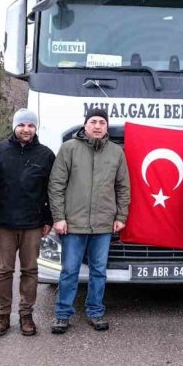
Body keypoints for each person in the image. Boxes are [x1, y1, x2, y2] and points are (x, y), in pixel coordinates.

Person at [49, 108, 130, 334]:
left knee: (99, 271)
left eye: (101, 122)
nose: (97, 126)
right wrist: (59, 217)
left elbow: (123, 187)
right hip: (73, 224)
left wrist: (121, 216)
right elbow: (56, 186)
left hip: (103, 224)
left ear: (106, 127)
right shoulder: (69, 149)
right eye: (93, 121)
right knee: (69, 271)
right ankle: (62, 314)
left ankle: (95, 312)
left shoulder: (116, 152)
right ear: (85, 125)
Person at [0, 109, 55, 337]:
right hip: (4, 223)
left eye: (31, 126)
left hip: (33, 224)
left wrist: (48, 218)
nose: (26, 129)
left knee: (31, 270)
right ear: (15, 126)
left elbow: (50, 191)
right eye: (22, 125)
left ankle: (26, 315)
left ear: (36, 128)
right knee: (3, 270)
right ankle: (2, 316)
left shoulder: (45, 155)